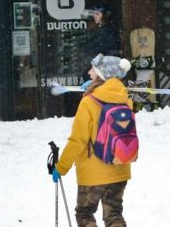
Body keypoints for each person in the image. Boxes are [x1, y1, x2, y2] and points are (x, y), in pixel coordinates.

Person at [54, 54, 134, 227]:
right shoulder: (125, 100)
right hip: (119, 168)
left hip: (92, 173)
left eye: (94, 70)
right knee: (114, 215)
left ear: (102, 74)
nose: (89, 72)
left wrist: (61, 167)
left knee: (84, 214)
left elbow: (77, 140)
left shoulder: (88, 102)